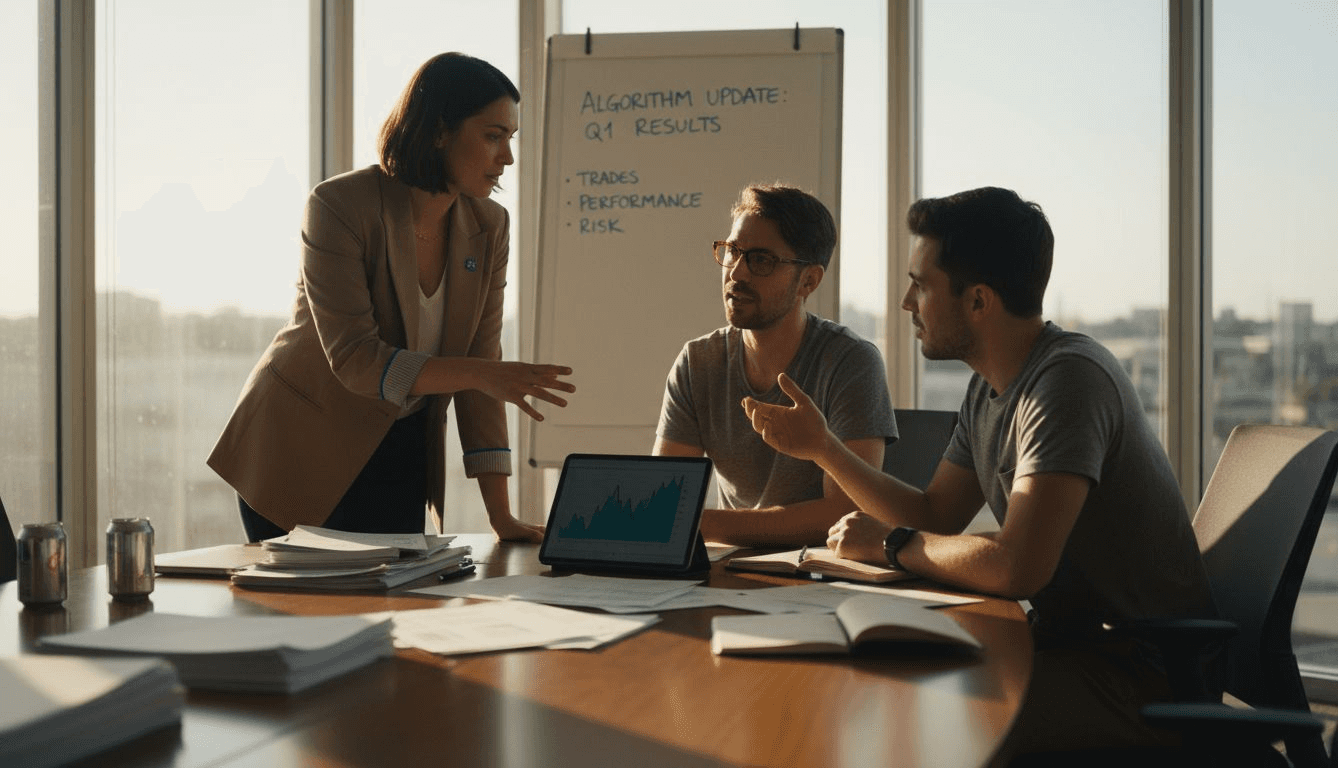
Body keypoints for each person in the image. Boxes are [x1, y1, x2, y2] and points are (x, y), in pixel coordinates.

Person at [742, 186, 1217, 757]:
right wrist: (823, 448)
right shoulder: (989, 388)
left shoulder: (1067, 382)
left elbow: (1017, 565)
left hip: (1138, 671)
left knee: (913, 720)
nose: (905, 303)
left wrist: (893, 545)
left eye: (921, 284)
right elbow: (935, 512)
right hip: (1067, 647)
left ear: (978, 301)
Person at [209, 53, 574, 544]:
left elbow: (480, 369)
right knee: (309, 617)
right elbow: (357, 359)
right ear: (440, 130)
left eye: (510, 139)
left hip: (400, 447)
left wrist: (501, 517)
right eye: (493, 136)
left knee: (392, 613)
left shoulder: (490, 226)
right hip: (298, 447)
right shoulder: (339, 205)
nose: (507, 157)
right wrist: (484, 374)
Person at [653, 183, 897, 547]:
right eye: (732, 252)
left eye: (761, 260)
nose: (736, 273)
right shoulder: (698, 361)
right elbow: (665, 498)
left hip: (820, 574)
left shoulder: (850, 360)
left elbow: (843, 511)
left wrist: (695, 523)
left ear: (809, 281)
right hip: (728, 569)